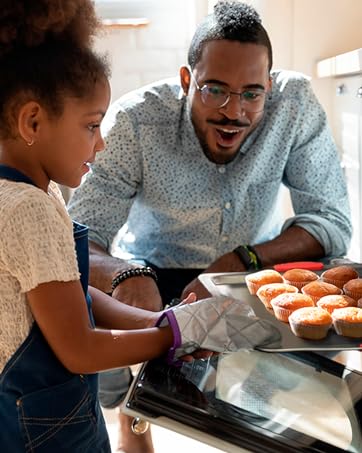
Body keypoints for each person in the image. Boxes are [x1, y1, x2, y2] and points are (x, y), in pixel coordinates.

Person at [68, 1, 352, 452]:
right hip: (150, 270)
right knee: (130, 392)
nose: (233, 112)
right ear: (187, 81)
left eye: (252, 94)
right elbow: (79, 236)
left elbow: (331, 223)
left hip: (249, 269)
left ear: (270, 87)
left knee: (273, 401)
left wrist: (242, 260)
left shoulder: (293, 105)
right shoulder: (135, 121)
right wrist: (127, 275)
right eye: (215, 89)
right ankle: (131, 417)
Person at [0, 1, 281, 452]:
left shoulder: (38, 194)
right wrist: (174, 335)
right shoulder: (26, 209)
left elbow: (68, 289)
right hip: (41, 430)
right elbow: (79, 349)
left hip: (57, 410)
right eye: (92, 125)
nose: (102, 141)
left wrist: (162, 319)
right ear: (33, 121)